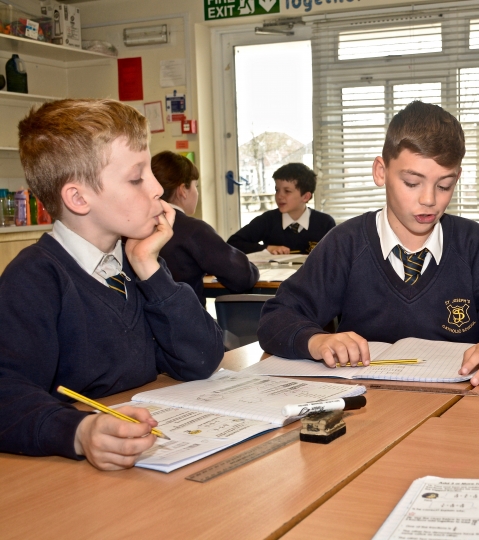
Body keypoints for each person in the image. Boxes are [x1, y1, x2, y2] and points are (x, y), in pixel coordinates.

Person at [0, 99, 225, 469]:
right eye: (136, 178)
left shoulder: (135, 264)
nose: (156, 189)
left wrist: (149, 268)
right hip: (67, 482)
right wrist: (80, 431)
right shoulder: (35, 279)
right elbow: (6, 394)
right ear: (78, 198)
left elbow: (202, 359)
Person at [258, 101, 479, 387]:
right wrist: (316, 340)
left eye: (444, 185)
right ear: (381, 172)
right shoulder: (345, 243)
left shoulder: (473, 243)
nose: (429, 200)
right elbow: (277, 317)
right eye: (411, 182)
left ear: (457, 177)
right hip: (369, 407)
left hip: (457, 407)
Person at [152, 151, 259, 306]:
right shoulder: (192, 230)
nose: (197, 192)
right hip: (187, 322)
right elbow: (242, 277)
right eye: (196, 186)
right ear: (183, 190)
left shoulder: (133, 227)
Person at [227, 163, 335, 255]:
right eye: (277, 190)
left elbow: (335, 256)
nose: (279, 196)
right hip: (275, 279)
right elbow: (233, 243)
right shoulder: (268, 220)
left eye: (287, 191)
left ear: (306, 197)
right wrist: (267, 249)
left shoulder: (325, 223)